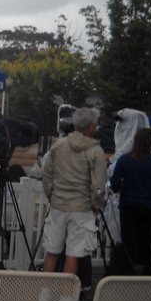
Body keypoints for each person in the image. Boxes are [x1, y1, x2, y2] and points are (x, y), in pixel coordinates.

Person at [41, 107, 106, 276]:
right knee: (73, 254)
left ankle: (43, 297)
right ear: (91, 126)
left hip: (58, 205)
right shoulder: (96, 151)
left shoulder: (59, 145)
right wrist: (96, 205)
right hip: (82, 208)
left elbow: (46, 173)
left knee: (52, 251)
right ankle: (65, 299)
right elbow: (98, 185)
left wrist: (51, 195)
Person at [110, 128, 151, 275]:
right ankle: (144, 273)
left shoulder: (124, 160)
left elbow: (115, 184)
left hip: (128, 206)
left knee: (128, 242)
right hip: (148, 207)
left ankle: (126, 272)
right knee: (146, 243)